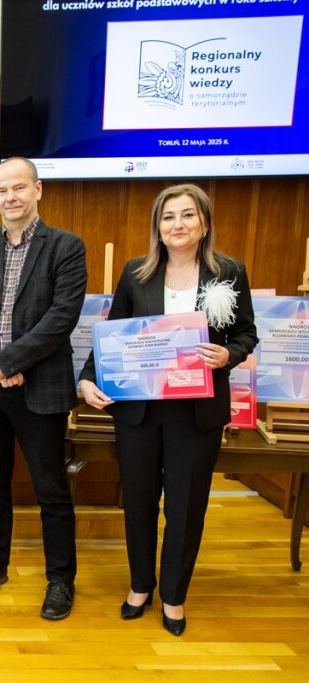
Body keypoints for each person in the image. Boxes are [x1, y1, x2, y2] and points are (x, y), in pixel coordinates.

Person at [79, 184, 257, 636]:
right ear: (157, 226)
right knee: (138, 502)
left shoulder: (229, 273)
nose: (177, 225)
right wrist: (85, 378)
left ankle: (174, 595)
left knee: (185, 506)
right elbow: (112, 331)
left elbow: (246, 334)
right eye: (168, 217)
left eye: (187, 216)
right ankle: (140, 585)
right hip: (139, 410)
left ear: (204, 224)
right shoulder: (136, 272)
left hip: (195, 413)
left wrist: (228, 356)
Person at [0, 157, 86, 620]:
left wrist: (9, 361)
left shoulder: (66, 247)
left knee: (51, 489)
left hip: (39, 386)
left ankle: (60, 579)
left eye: (18, 188)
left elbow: (61, 318)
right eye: (2, 190)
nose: (10, 197)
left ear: (37, 190)